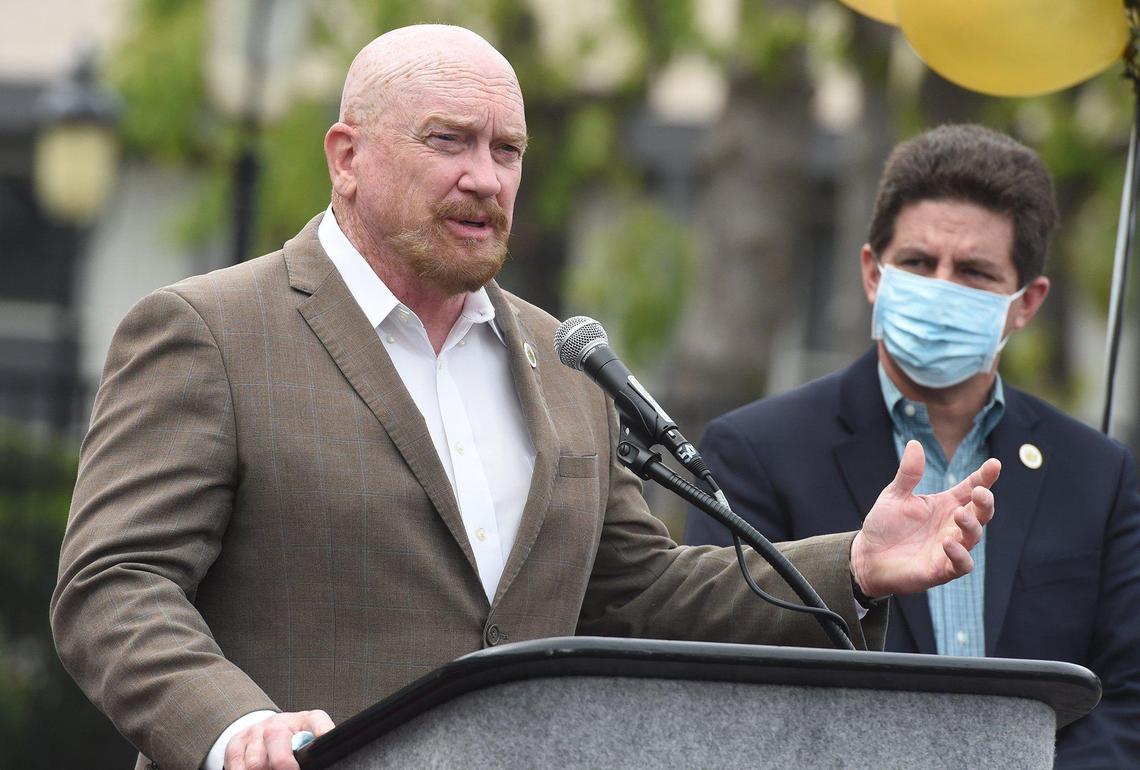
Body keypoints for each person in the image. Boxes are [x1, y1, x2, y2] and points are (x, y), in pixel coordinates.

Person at [52, 28, 1000, 770]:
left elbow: (640, 594)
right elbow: (114, 584)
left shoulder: (561, 357)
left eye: (508, 149)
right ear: (347, 156)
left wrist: (858, 565)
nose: (485, 176)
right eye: (449, 142)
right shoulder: (207, 331)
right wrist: (232, 726)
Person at [684, 124, 1140, 767]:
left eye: (976, 272)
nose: (942, 288)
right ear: (874, 272)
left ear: (1026, 302)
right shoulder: (755, 452)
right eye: (919, 264)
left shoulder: (1099, 473)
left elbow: (1126, 702)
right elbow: (719, 683)